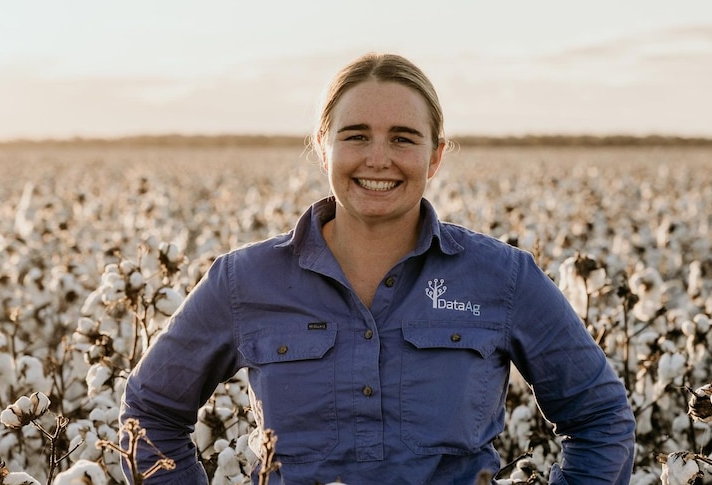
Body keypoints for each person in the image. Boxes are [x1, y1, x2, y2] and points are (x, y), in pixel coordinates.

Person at [120, 52, 635, 484]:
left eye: (404, 138)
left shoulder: (503, 278)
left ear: (435, 157)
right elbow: (150, 413)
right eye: (357, 136)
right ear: (323, 146)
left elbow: (601, 419)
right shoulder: (243, 280)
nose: (379, 158)